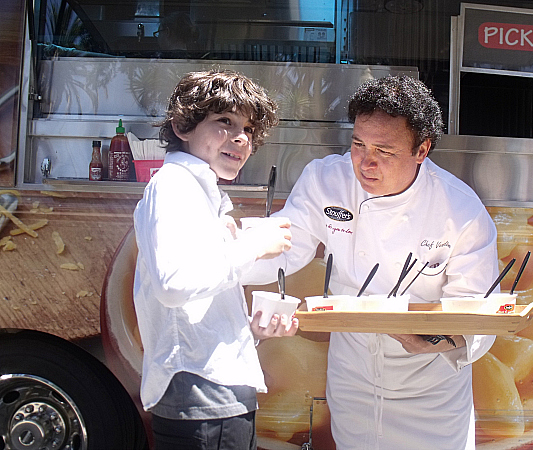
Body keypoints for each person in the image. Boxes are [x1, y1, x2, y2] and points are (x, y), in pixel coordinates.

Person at [242, 75, 499, 449]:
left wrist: (433, 342)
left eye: (385, 150)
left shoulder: (460, 210)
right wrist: (228, 259)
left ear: (421, 150)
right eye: (358, 145)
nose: (366, 162)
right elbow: (287, 249)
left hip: (429, 391)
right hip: (354, 376)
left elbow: (477, 309)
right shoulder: (326, 180)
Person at [133, 70, 298, 450]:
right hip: (202, 402)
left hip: (216, 398)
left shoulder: (199, 191)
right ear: (183, 125)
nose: (241, 138)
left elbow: (196, 303)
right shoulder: (174, 185)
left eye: (249, 129)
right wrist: (255, 246)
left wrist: (249, 330)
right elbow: (174, 285)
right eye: (224, 122)